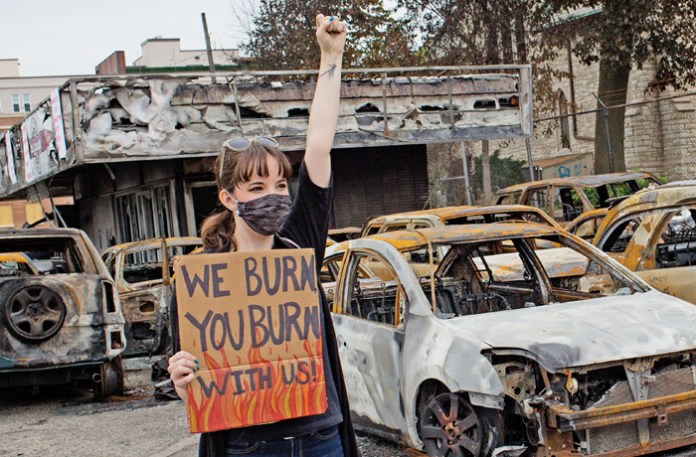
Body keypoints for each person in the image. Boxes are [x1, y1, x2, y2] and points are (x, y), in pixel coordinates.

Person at [166, 13, 360, 457]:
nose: (273, 197)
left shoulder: (299, 244)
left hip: (319, 439)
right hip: (249, 446)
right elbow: (195, 382)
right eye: (256, 188)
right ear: (229, 198)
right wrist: (182, 379)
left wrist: (331, 58)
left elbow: (318, 145)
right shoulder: (202, 282)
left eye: (279, 185)